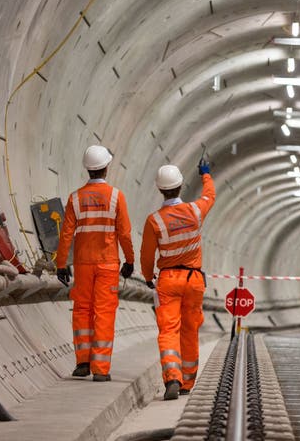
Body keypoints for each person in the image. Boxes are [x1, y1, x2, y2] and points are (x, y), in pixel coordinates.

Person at [56, 145, 135, 382]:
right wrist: (130, 260)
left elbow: (66, 234)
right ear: (106, 167)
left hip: (82, 264)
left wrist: (61, 263)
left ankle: (82, 362)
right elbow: (125, 233)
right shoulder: (115, 196)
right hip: (108, 264)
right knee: (103, 313)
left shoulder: (75, 198)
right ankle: (100, 368)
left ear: (87, 169)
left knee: (82, 311)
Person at [140, 159, 215, 400]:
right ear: (180, 186)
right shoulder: (195, 210)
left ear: (160, 189)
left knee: (168, 330)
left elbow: (147, 254)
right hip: (193, 280)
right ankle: (188, 381)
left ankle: (173, 376)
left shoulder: (155, 220)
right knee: (190, 329)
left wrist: (147, 275)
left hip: (168, 280)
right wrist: (205, 174)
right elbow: (210, 196)